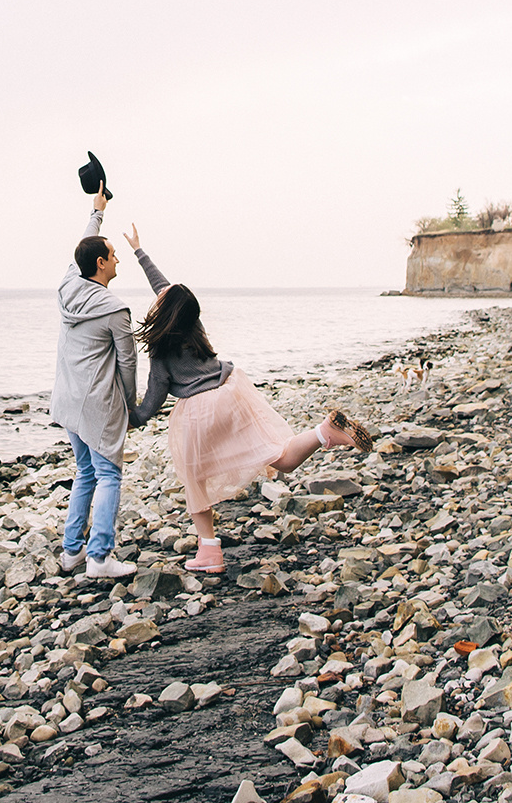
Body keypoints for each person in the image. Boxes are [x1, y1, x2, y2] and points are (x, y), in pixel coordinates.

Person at [126, 225, 372, 574]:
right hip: (230, 390)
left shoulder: (162, 350)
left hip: (199, 410)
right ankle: (324, 433)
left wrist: (124, 418)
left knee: (193, 477)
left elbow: (150, 405)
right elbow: (166, 288)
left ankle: (209, 550)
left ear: (165, 313)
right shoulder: (193, 325)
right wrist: (140, 252)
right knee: (278, 455)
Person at [49, 186, 140, 580]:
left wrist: (96, 211)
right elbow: (128, 361)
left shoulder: (69, 285)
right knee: (108, 475)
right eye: (114, 255)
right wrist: (132, 405)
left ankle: (72, 553)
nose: (119, 258)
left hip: (67, 400)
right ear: (101, 264)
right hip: (98, 403)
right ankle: (100, 557)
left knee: (85, 472)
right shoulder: (115, 308)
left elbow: (80, 248)